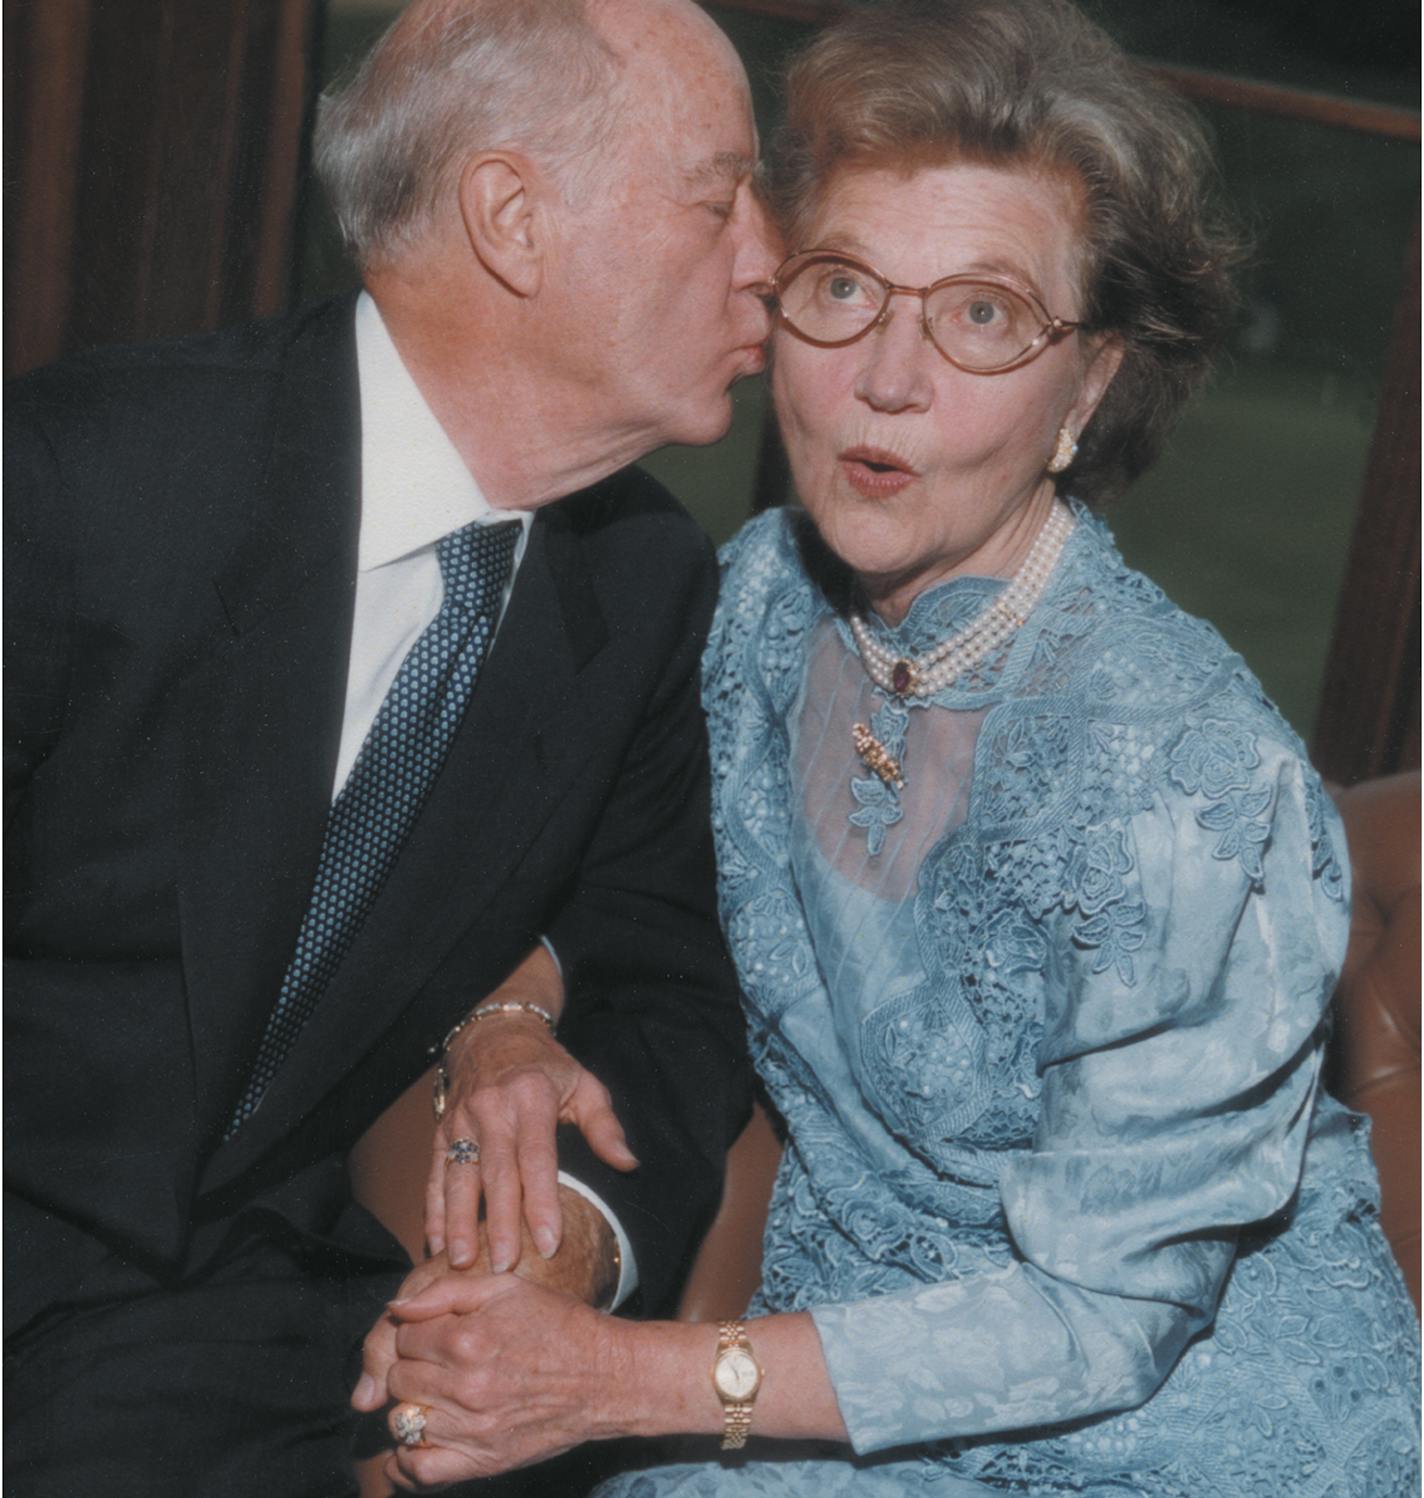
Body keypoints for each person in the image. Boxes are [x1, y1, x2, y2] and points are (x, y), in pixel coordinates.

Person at [366, 2, 1422, 1493]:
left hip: (1177, 1422)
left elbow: (1108, 1317)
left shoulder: (1189, 778)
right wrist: (511, 1014)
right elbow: (608, 875)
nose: (889, 377)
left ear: (1092, 385)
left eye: (983, 313)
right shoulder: (748, 611)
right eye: (845, 287)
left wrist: (621, 1378)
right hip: (825, 1368)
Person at [4, 1, 777, 1493]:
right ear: (512, 219)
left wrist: (567, 1257)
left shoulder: (639, 584)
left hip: (278, 1334)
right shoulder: (84, 484)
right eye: (717, 198)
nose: (765, 254)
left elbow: (669, 992)